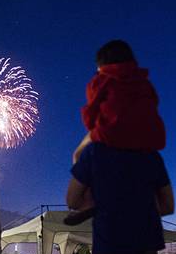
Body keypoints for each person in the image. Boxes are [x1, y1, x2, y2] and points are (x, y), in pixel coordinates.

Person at [65, 40, 166, 226]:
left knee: (78, 153)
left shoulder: (101, 80)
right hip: (144, 134)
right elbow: (153, 106)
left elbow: (91, 114)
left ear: (102, 63)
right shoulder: (143, 82)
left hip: (112, 131)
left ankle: (89, 202)